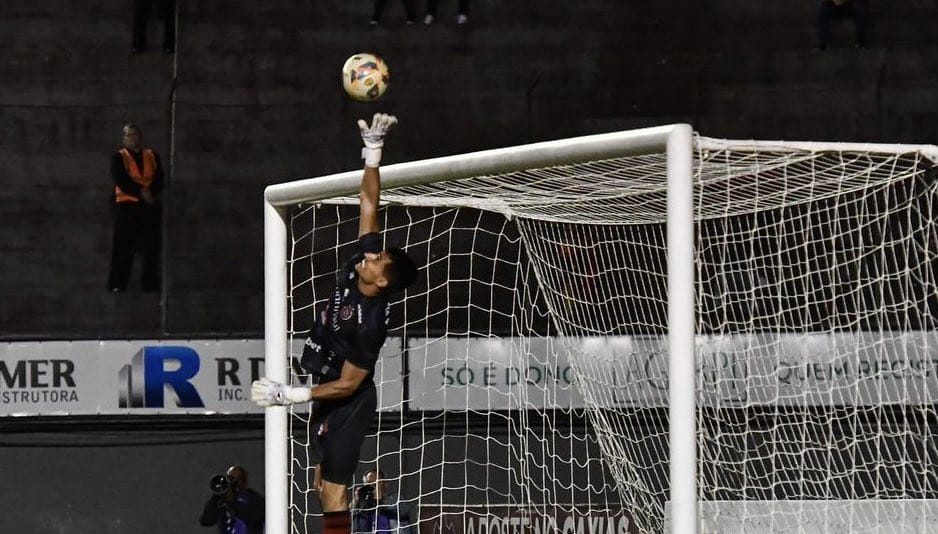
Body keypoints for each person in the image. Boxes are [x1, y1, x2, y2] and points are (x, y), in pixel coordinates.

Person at [252, 113, 419, 534]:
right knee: (322, 486)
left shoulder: (372, 325)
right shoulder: (359, 264)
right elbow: (368, 205)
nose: (370, 254)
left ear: (382, 281)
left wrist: (288, 395)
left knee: (335, 493)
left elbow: (349, 385)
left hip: (348, 402)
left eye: (377, 259)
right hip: (326, 388)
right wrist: (373, 153)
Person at [107, 123, 164, 293]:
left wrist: (150, 192)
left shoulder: (152, 155)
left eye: (134, 134)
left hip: (148, 207)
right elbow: (121, 179)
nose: (132, 138)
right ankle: (118, 284)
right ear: (123, 139)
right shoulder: (119, 157)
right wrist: (141, 192)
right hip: (127, 206)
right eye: (128, 135)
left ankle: (150, 285)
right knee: (123, 247)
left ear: (140, 136)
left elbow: (160, 178)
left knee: (151, 248)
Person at [199, 465, 265, 534]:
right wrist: (214, 499)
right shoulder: (222, 500)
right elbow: (206, 521)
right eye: (229, 478)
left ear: (244, 481)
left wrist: (232, 502)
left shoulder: (253, 498)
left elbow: (255, 517)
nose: (233, 481)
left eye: (237, 478)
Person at [352, 470, 418, 534]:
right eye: (368, 484)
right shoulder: (364, 506)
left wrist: (380, 500)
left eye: (375, 484)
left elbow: (402, 511)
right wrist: (356, 503)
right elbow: (351, 525)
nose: (372, 487)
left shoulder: (396, 499)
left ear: (385, 484)